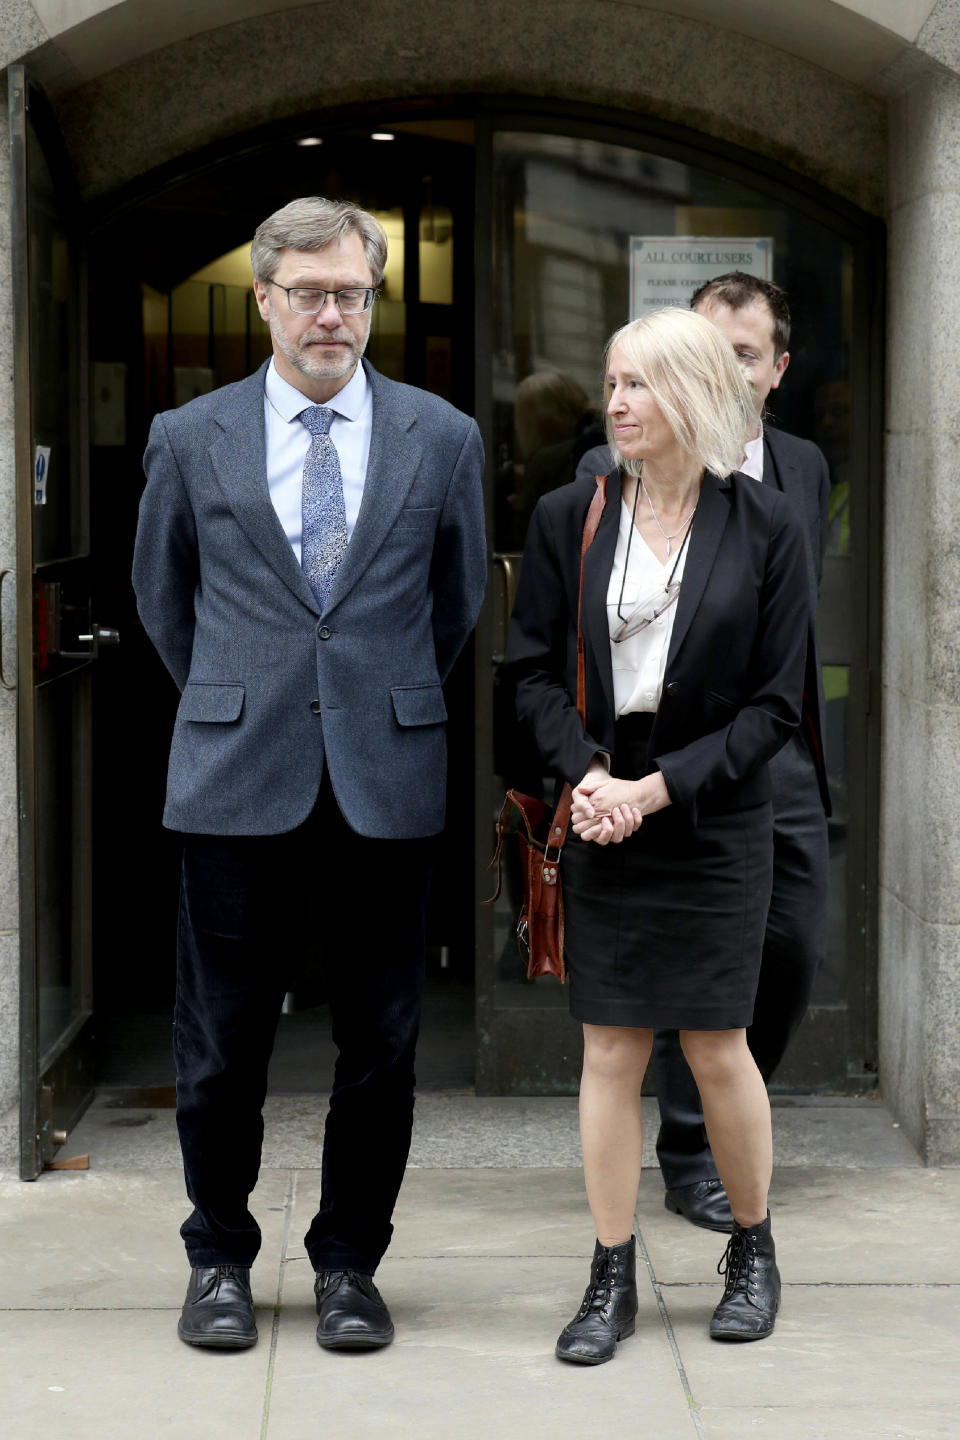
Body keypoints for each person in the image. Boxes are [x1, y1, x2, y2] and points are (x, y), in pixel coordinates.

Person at [133, 197, 486, 1353]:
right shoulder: (193, 437)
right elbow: (164, 602)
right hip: (238, 774)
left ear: (372, 300)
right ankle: (219, 1260)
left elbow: (456, 606)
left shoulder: (444, 437)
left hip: (386, 775)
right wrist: (251, 694)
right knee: (222, 1041)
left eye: (353, 294)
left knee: (382, 1043)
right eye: (311, 293)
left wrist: (365, 698)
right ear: (266, 300)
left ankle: (347, 1265)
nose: (333, 315)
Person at [505, 308, 810, 1360]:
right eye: (611, 382)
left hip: (714, 818)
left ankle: (754, 1250)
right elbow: (531, 672)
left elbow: (776, 708)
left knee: (718, 1046)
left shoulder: (767, 526)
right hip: (600, 812)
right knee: (610, 1048)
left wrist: (659, 789)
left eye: (637, 384)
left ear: (690, 394)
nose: (616, 404)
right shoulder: (567, 514)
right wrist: (590, 776)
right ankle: (609, 1275)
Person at [576, 273, 830, 1233]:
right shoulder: (596, 493)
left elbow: (787, 651)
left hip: (775, 751)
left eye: (745, 354)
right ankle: (688, 1152)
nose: (727, 370)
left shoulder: (797, 471)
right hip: (642, 766)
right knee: (633, 1027)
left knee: (789, 951)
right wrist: (600, 774)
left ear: (774, 372)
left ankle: (730, 1137)